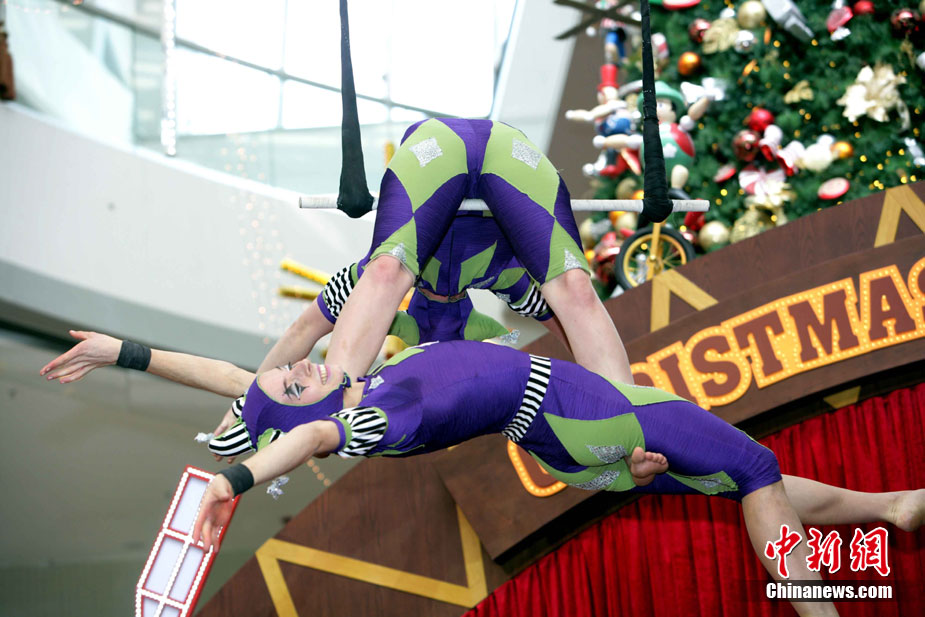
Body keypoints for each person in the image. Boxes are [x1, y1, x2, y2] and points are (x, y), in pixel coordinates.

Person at [186, 340, 923, 617]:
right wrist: (233, 481)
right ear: (306, 413)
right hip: (578, 414)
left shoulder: (371, 382)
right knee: (756, 470)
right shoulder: (366, 421)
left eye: (287, 368)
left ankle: (893, 507)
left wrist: (133, 353)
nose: (299, 365)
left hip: (566, 436)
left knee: (741, 484)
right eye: (293, 384)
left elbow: (230, 375)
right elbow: (309, 435)